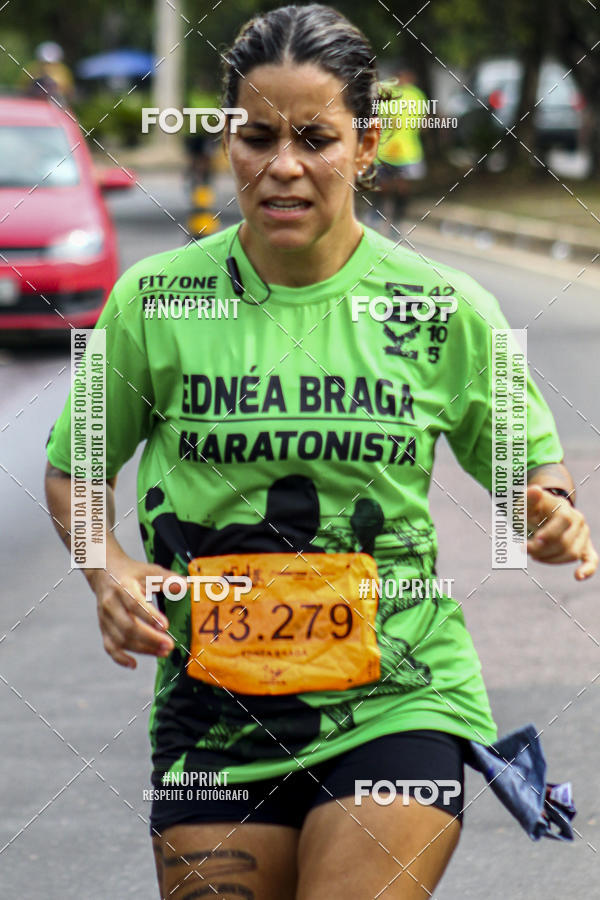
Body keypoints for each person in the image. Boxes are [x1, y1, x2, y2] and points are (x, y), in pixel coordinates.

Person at [44, 5, 597, 898]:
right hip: (213, 714)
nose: (284, 166)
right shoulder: (154, 302)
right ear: (228, 139)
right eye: (258, 137)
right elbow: (76, 469)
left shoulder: (442, 308)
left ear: (367, 146)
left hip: (398, 696)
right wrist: (104, 568)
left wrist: (550, 512)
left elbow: (530, 466)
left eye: (315, 138)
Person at [376, 65, 428, 227]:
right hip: (386, 150)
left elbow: (423, 121)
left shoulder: (416, 95)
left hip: (407, 150)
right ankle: (378, 214)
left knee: (402, 186)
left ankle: (396, 220)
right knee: (383, 184)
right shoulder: (384, 92)